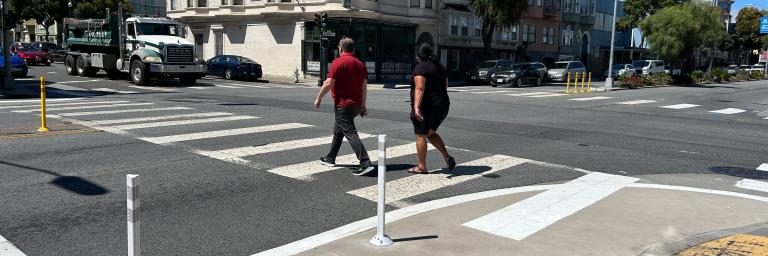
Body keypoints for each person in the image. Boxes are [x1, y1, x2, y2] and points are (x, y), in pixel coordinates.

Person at [314, 37, 374, 176]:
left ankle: (365, 162)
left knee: (350, 133)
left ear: (340, 49)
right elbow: (364, 87)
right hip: (356, 105)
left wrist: (318, 98)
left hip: (343, 105)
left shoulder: (338, 62)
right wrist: (363, 106)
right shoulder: (360, 64)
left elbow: (329, 83)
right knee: (338, 130)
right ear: (353, 49)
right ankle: (330, 158)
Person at [407, 43, 455, 174]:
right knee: (430, 133)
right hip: (443, 105)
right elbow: (445, 87)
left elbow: (420, 88)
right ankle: (447, 157)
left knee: (420, 134)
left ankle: (421, 166)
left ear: (418, 56)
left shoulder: (420, 68)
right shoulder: (441, 68)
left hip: (427, 106)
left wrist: (416, 107)